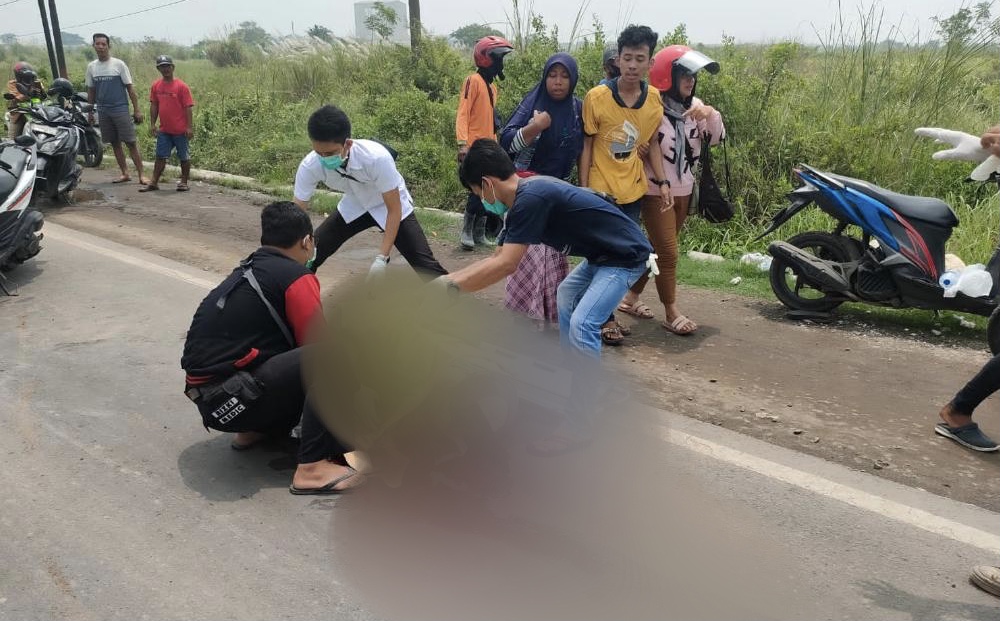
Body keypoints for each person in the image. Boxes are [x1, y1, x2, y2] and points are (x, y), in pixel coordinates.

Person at [439, 139, 654, 450]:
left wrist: (451, 288)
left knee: (583, 324)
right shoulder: (523, 197)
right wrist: (448, 280)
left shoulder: (531, 197)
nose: (482, 201)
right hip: (603, 256)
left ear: (486, 184)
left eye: (477, 194)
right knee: (566, 293)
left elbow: (506, 264)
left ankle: (581, 421)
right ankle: (578, 379)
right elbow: (497, 256)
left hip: (626, 257)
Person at [181, 201, 362, 495]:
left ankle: (253, 432)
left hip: (215, 405)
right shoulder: (296, 277)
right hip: (237, 400)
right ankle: (312, 469)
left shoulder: (249, 271)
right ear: (307, 242)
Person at [618, 45, 724, 336]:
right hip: (655, 191)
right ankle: (671, 310)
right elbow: (631, 143)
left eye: (693, 76)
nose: (690, 81)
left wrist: (710, 113)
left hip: (685, 190)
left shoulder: (695, 108)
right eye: (684, 75)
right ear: (668, 76)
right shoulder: (650, 106)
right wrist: (637, 150)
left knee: (655, 251)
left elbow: (716, 139)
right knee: (668, 253)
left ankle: (629, 299)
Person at [580, 24, 672, 345]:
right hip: (599, 191)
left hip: (632, 191)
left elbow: (653, 144)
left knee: (625, 257)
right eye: (627, 58)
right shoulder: (597, 97)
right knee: (599, 255)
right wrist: (583, 187)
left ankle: (603, 310)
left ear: (650, 62)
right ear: (617, 59)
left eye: (640, 58)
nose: (632, 65)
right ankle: (603, 320)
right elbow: (588, 145)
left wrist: (662, 182)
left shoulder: (654, 101)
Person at [293, 104, 447, 279]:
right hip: (355, 204)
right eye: (318, 152)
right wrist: (298, 243)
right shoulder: (310, 165)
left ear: (348, 144)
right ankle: (296, 297)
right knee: (308, 256)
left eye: (330, 153)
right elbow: (297, 213)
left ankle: (454, 299)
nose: (324, 159)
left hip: (389, 204)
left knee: (426, 267)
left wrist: (382, 257)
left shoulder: (377, 158)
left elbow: (394, 210)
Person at [498, 52, 583, 329]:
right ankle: (525, 313)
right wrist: (534, 127)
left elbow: (584, 149)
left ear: (573, 80)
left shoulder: (578, 110)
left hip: (560, 192)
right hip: (527, 190)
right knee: (531, 253)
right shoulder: (532, 104)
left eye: (564, 76)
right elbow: (507, 143)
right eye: (552, 75)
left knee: (553, 252)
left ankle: (550, 314)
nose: (557, 82)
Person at [456, 35, 514, 250]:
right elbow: (463, 113)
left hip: (488, 149)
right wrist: (463, 143)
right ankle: (466, 232)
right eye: (498, 58)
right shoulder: (473, 81)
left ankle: (479, 233)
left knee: (488, 193)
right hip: (473, 147)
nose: (500, 63)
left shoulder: (492, 88)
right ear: (486, 59)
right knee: (476, 191)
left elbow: (490, 121)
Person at [85, 33, 147, 185]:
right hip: (103, 110)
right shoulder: (92, 67)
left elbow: (130, 89)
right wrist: (90, 111)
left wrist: (137, 109)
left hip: (120, 109)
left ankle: (142, 175)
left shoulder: (118, 64)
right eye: (97, 44)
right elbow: (91, 91)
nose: (100, 47)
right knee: (114, 142)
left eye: (103, 44)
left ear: (108, 46)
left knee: (130, 142)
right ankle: (125, 173)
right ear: (93, 46)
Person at [140, 55, 194, 193]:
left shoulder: (182, 86)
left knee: (184, 156)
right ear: (158, 69)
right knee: (160, 156)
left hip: (180, 130)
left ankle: (183, 182)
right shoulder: (156, 86)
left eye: (168, 66)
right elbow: (154, 106)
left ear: (173, 67)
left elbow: (188, 107)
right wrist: (152, 124)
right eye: (162, 66)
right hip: (164, 130)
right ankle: (154, 182)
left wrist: (189, 127)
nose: (165, 69)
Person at [5, 62, 45, 140]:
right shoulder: (12, 84)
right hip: (18, 114)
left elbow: (44, 95)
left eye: (30, 76)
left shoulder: (36, 82)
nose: (29, 78)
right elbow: (17, 97)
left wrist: (42, 94)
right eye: (25, 76)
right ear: (19, 76)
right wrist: (28, 94)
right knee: (12, 139)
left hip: (36, 112)